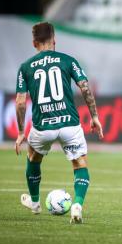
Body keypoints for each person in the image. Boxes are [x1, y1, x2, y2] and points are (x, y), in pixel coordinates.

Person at [15, 22, 103, 224]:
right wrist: (95, 117)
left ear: (34, 43)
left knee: (33, 159)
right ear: (54, 40)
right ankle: (78, 204)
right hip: (69, 124)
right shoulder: (68, 60)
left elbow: (20, 102)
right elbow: (85, 88)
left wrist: (21, 132)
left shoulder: (25, 67)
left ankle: (35, 203)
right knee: (80, 163)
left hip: (42, 126)